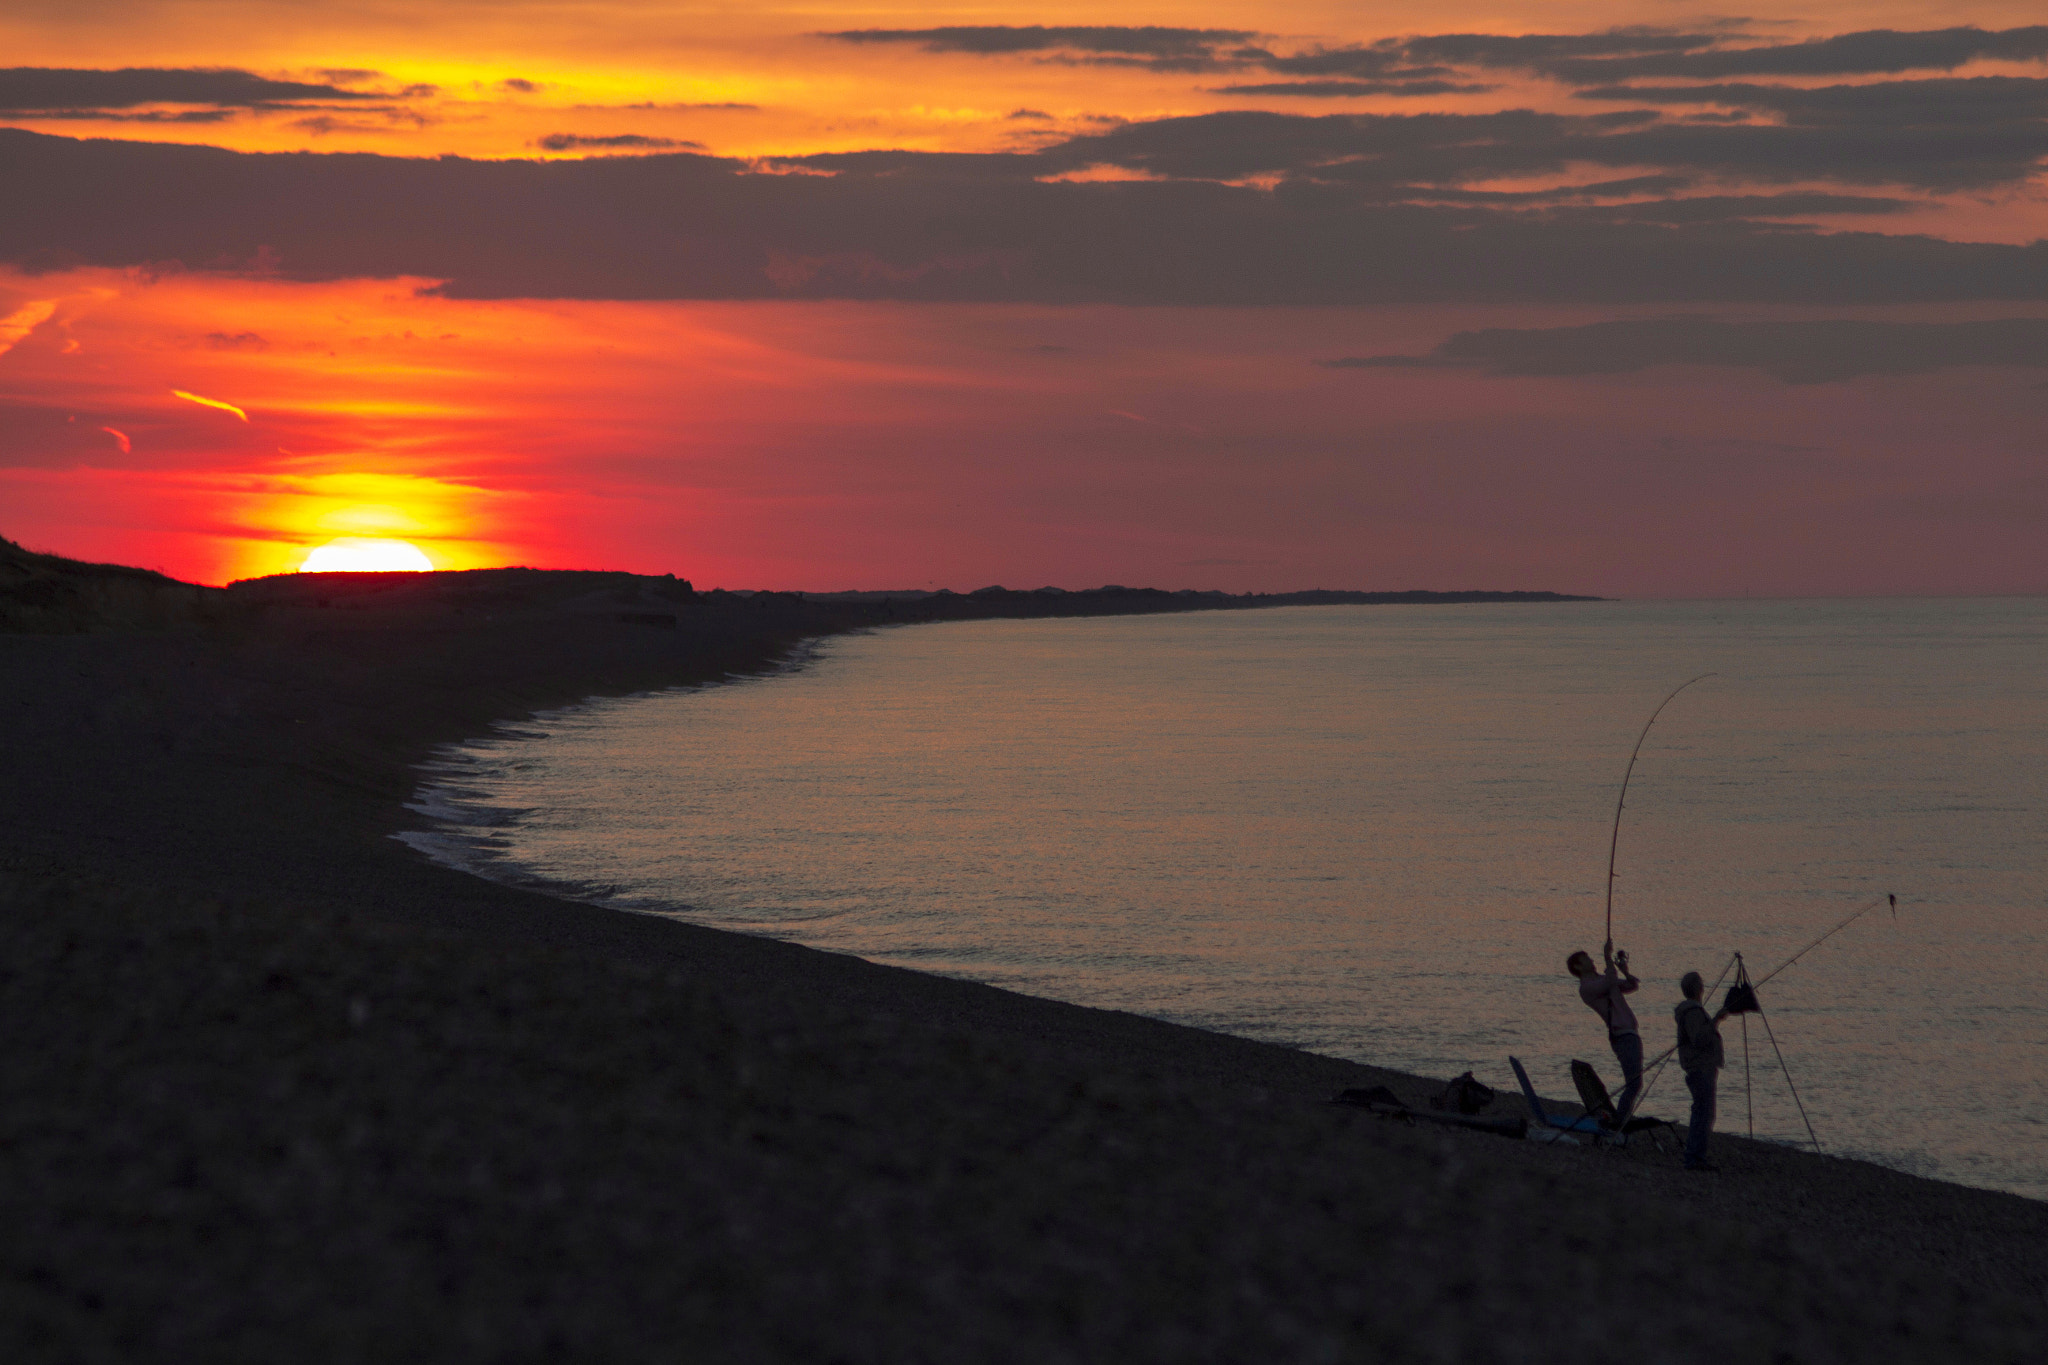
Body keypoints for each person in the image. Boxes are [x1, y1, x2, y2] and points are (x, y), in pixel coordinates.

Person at [1567, 939, 1642, 1119]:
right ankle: (1620, 1121)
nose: (1592, 961)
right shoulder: (1586, 988)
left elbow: (1632, 985)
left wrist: (1624, 970)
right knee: (1633, 1083)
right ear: (1578, 967)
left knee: (1635, 1083)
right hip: (1621, 1036)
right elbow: (1610, 981)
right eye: (1587, 960)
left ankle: (1622, 1119)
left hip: (1631, 1034)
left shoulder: (1601, 979)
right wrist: (1607, 957)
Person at [1674, 970, 1730, 1171]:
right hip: (1700, 1067)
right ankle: (1694, 1158)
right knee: (1704, 1113)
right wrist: (1716, 1019)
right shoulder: (1693, 1013)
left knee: (1703, 1111)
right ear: (1699, 989)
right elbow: (1699, 1038)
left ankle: (1695, 1156)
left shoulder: (1691, 1011)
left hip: (1699, 1066)